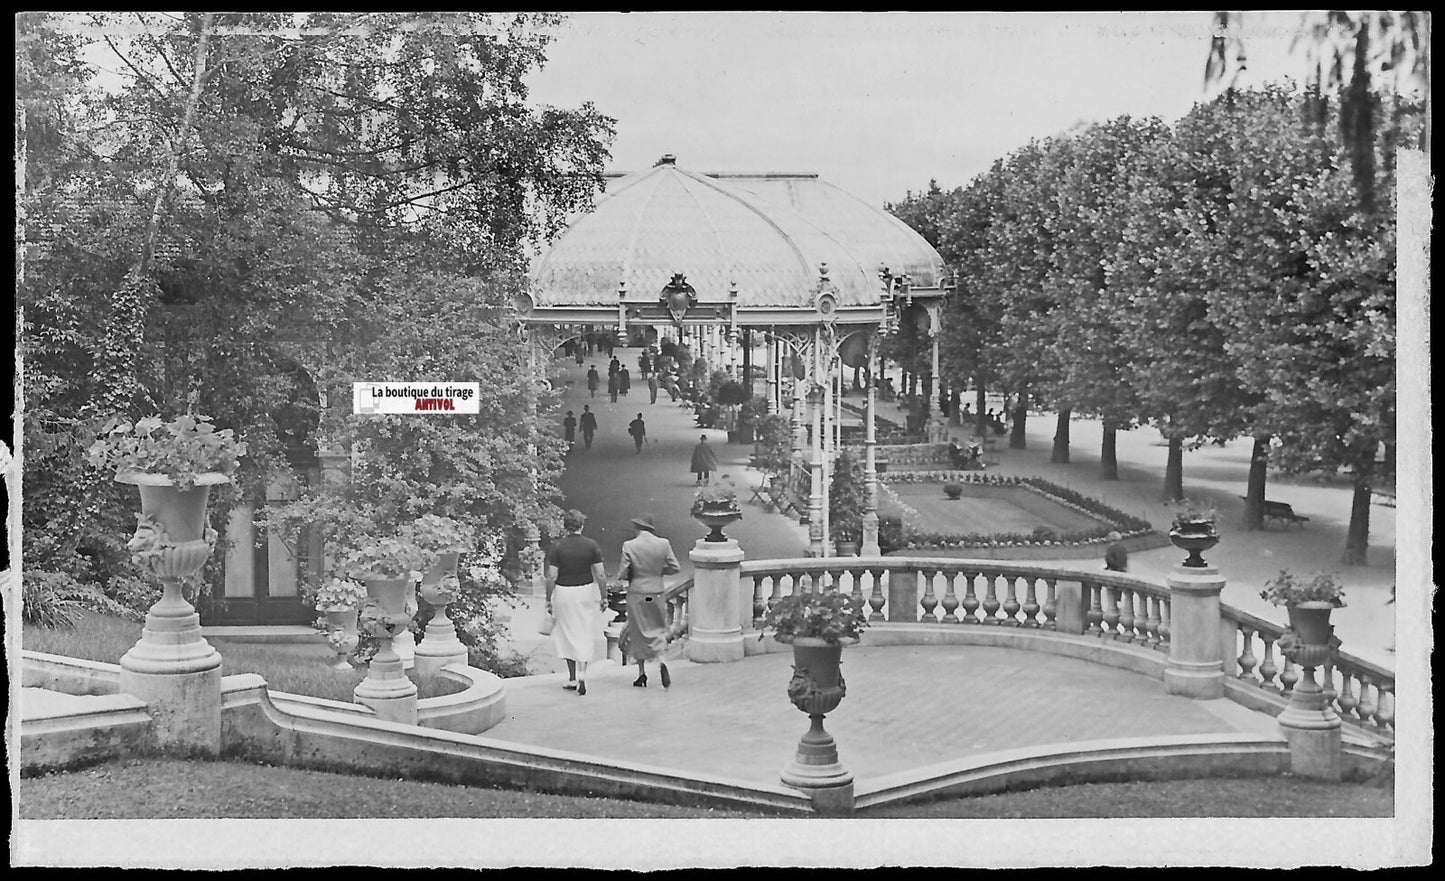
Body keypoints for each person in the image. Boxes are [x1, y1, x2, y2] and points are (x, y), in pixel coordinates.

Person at [544, 509, 608, 695]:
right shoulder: (592, 546)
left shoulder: (557, 547)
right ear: (582, 525)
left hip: (564, 592)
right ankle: (582, 674)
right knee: (584, 629)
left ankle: (572, 677)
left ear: (565, 526)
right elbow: (601, 574)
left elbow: (551, 576)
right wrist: (603, 596)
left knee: (567, 633)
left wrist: (548, 598)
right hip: (585, 591)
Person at [616, 513, 681, 689]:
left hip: (637, 592)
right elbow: (675, 567)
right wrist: (658, 572)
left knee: (638, 631)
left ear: (637, 528)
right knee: (657, 627)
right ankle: (661, 660)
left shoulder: (629, 545)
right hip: (656, 592)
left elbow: (623, 571)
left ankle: (641, 673)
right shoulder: (663, 544)